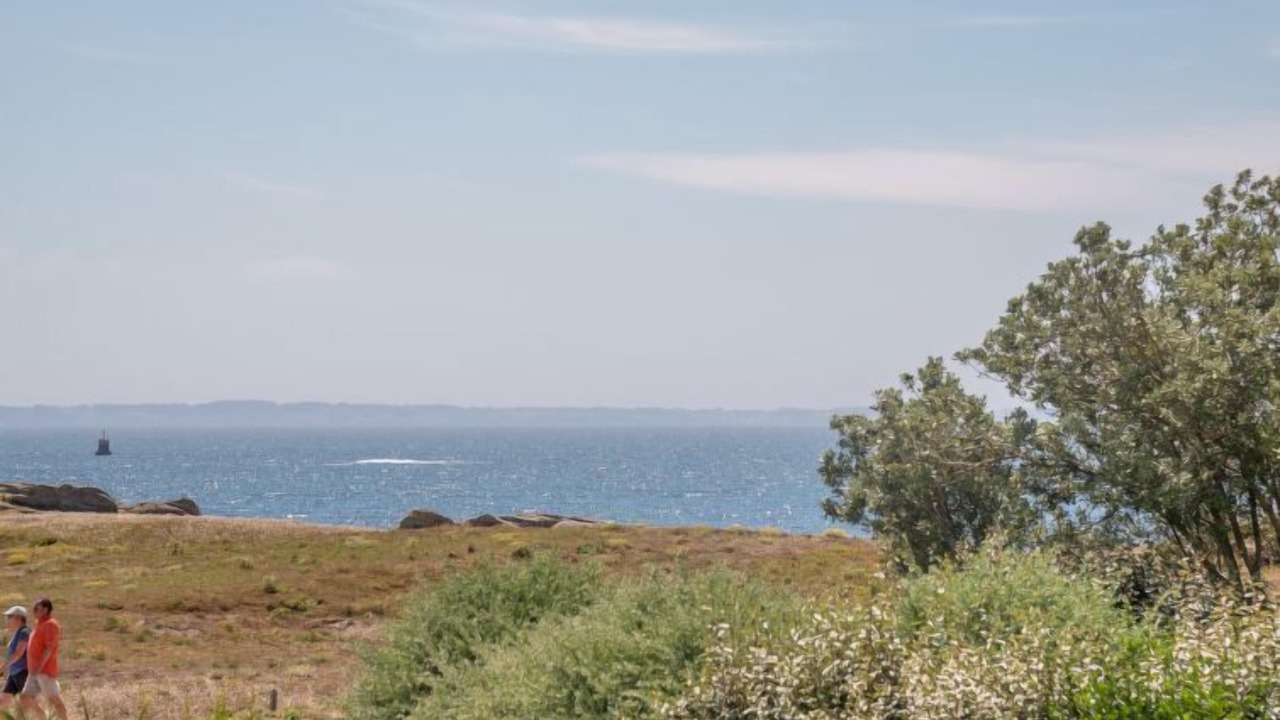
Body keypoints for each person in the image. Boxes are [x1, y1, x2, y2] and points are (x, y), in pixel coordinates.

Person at [20, 598, 67, 720]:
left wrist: (38, 667)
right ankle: (44, 717)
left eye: (37, 608)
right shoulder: (39, 625)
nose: (34, 611)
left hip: (44, 670)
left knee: (54, 699)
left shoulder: (50, 625)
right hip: (34, 671)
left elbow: (49, 648)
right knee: (25, 698)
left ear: (46, 610)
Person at [1, 605, 29, 715]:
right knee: (3, 702)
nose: (8, 619)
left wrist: (4, 667)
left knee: (28, 703)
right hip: (14, 674)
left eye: (10, 616)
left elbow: (18, 654)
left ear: (18, 617)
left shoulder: (24, 632)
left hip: (22, 672)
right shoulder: (18, 632)